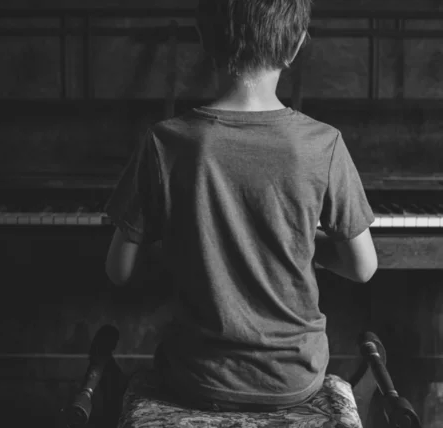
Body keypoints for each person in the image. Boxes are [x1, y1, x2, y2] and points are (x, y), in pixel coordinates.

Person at [104, 0, 378, 413]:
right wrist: (298, 247)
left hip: (195, 378)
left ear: (203, 41)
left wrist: (194, 247)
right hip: (295, 378)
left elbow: (118, 270)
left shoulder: (166, 141)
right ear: (296, 45)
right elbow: (363, 267)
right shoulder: (323, 143)